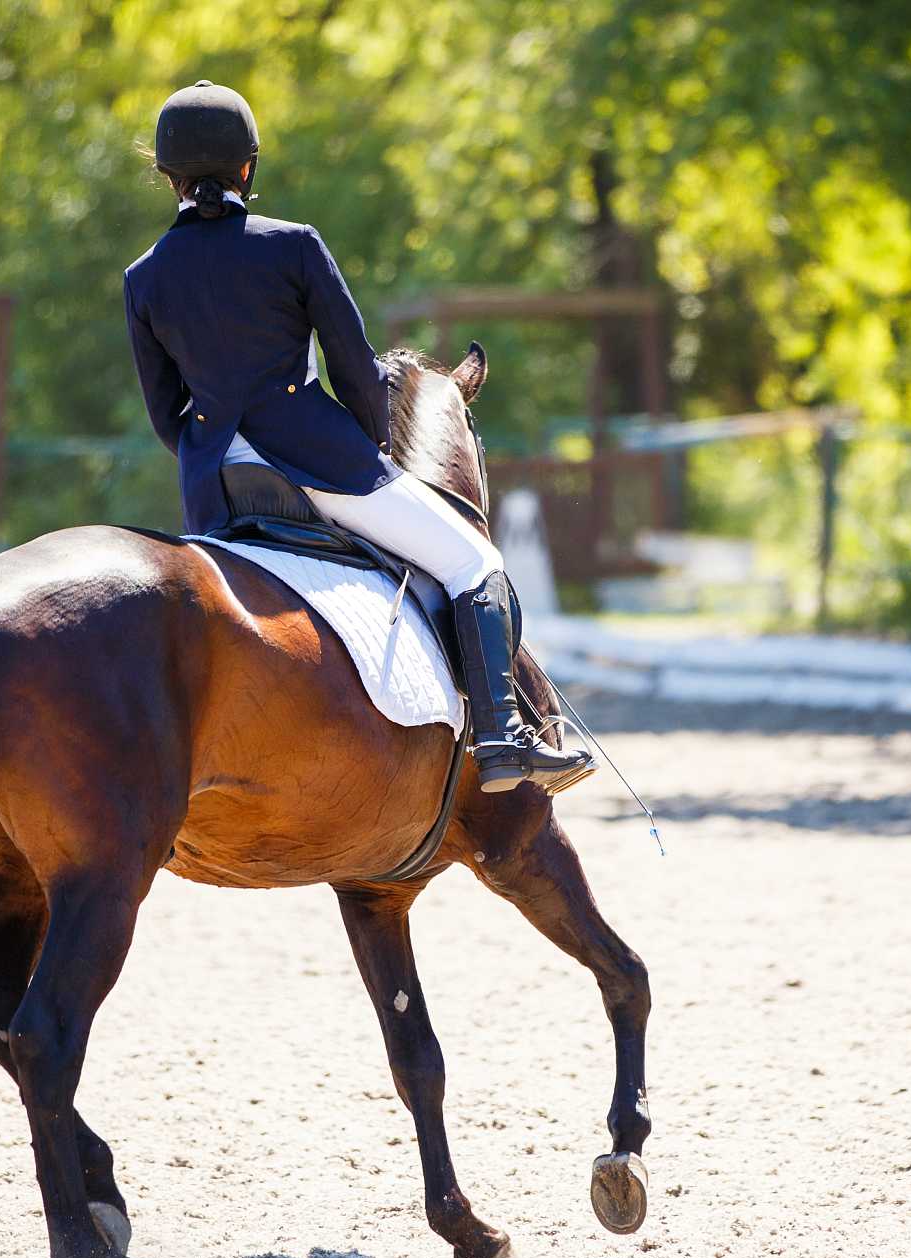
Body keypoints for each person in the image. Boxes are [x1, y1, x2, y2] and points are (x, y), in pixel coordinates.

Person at [122, 81, 591, 794]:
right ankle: (501, 739)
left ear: (167, 178)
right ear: (248, 167)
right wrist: (375, 444)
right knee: (473, 561)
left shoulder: (144, 277)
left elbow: (166, 415)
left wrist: (216, 445)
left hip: (217, 486)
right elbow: (356, 373)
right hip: (313, 464)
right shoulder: (293, 246)